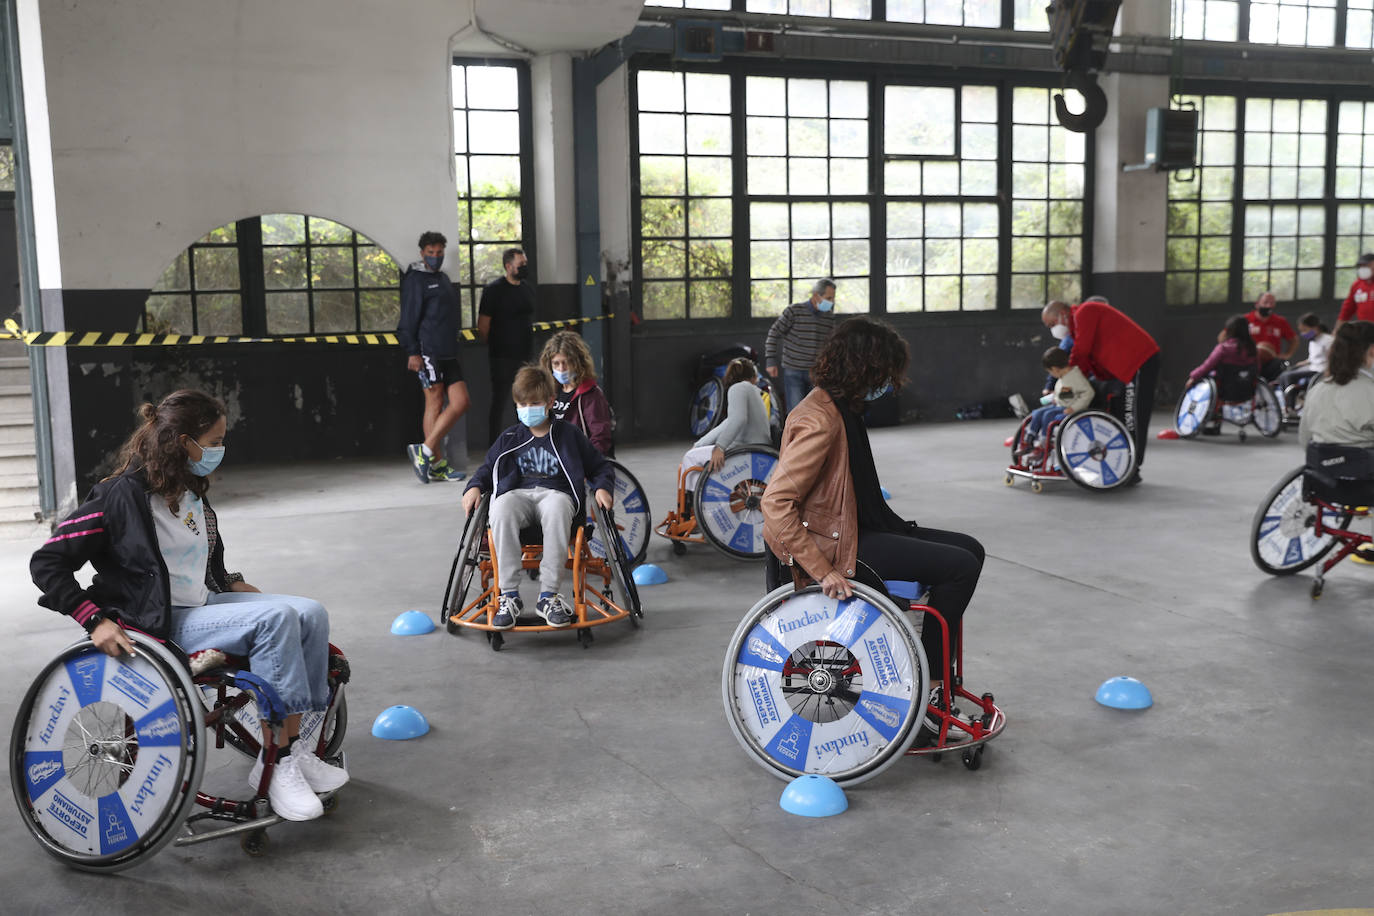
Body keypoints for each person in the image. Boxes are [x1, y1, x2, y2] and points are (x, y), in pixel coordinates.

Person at [29, 390, 347, 822]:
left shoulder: (190, 491)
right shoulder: (116, 498)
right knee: (277, 619)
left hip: (205, 603)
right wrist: (94, 619)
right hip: (162, 622)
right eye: (214, 440)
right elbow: (47, 562)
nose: (219, 450)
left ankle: (296, 752)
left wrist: (232, 583)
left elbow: (195, 563)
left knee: (311, 612)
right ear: (183, 442)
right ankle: (278, 764)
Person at [761, 317, 985, 715]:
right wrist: (823, 571)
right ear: (865, 368)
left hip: (858, 527)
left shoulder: (843, 407)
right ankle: (931, 687)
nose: (891, 383)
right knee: (959, 567)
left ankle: (922, 658)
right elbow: (776, 504)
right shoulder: (819, 419)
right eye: (886, 373)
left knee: (971, 549)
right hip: (835, 547)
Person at [461, 367, 614, 630]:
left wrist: (602, 487)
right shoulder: (509, 438)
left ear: (550, 402)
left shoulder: (568, 435)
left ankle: (549, 595)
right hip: (518, 495)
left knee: (556, 506)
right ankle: (508, 595)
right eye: (522, 404)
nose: (527, 409)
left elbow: (600, 466)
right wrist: (473, 487)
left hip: (555, 495)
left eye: (534, 403)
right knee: (500, 507)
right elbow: (488, 469)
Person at [1041, 296, 1159, 483]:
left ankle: (1132, 467)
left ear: (1063, 315)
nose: (1052, 330)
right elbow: (1087, 363)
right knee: (1115, 409)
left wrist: (1069, 379)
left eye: (1051, 324)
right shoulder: (1073, 330)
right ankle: (1121, 463)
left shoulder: (1085, 312)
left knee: (1133, 416)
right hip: (1118, 370)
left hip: (1139, 362)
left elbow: (1082, 352)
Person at [398, 230, 470, 484]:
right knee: (435, 402)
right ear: (422, 253)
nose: (436, 257)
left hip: (449, 351)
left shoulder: (443, 278)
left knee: (461, 401)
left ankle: (424, 450)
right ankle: (437, 463)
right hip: (428, 351)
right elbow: (408, 319)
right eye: (431, 253)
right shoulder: (416, 279)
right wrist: (412, 351)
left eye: (439, 253)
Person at [679, 357, 771, 500]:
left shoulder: (738, 388)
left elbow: (738, 420)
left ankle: (697, 503)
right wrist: (699, 445)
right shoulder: (753, 391)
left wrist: (720, 447)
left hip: (746, 450)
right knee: (695, 453)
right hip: (757, 447)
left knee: (690, 458)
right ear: (753, 376)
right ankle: (701, 501)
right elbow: (728, 423)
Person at [478, 247, 535, 446]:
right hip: (501, 356)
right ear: (508, 266)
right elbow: (483, 325)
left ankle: (526, 442)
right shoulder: (493, 290)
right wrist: (496, 344)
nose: (524, 268)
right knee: (500, 401)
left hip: (525, 356)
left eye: (525, 264)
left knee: (525, 400)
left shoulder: (527, 288)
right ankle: (494, 444)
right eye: (521, 265)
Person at [764, 279, 837, 416]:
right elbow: (774, 333)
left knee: (816, 413)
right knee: (796, 413)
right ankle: (794, 438)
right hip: (794, 370)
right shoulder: (794, 311)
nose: (832, 301)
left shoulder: (829, 317)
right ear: (816, 296)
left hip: (816, 373)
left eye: (833, 298)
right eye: (829, 298)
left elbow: (830, 344)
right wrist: (770, 360)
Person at [1298, 320, 1374, 450]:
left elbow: (1305, 439)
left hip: (1321, 465)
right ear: (1372, 351)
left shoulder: (1316, 390)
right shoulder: (1369, 391)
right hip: (1364, 464)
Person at [539, 330, 613, 456]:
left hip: (581, 460)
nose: (561, 369)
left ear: (578, 363)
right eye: (556, 363)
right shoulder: (550, 392)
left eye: (566, 362)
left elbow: (600, 438)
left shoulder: (591, 395)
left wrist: (587, 463)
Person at [1018, 347, 1094, 462]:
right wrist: (1055, 397)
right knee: (1037, 413)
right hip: (1060, 406)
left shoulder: (1075, 377)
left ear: (1055, 369)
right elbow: (1067, 393)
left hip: (1070, 411)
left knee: (1048, 415)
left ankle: (1043, 446)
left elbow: (1088, 393)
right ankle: (1028, 441)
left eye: (1050, 372)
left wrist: (1073, 408)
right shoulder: (1063, 377)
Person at [1275, 312, 1333, 416]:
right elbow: (1312, 359)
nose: (1303, 334)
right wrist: (1299, 364)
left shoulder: (1328, 340)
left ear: (1315, 328)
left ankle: (1291, 407)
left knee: (1289, 376)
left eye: (1305, 330)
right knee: (1284, 374)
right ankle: (1285, 403)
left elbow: (1331, 360)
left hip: (1319, 372)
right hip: (1311, 367)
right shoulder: (1313, 341)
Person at [1243, 291, 1297, 381]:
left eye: (1272, 303)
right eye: (1265, 302)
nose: (1269, 306)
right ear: (1257, 304)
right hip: (1249, 362)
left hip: (1271, 363)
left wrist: (1287, 355)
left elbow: (1294, 340)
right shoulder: (1245, 319)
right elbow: (1225, 337)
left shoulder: (1280, 321)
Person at [1334, 253, 1374, 331]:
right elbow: (1347, 309)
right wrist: (1337, 330)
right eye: (1361, 266)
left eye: (1366, 265)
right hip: (1365, 331)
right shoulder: (1357, 285)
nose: (1363, 268)